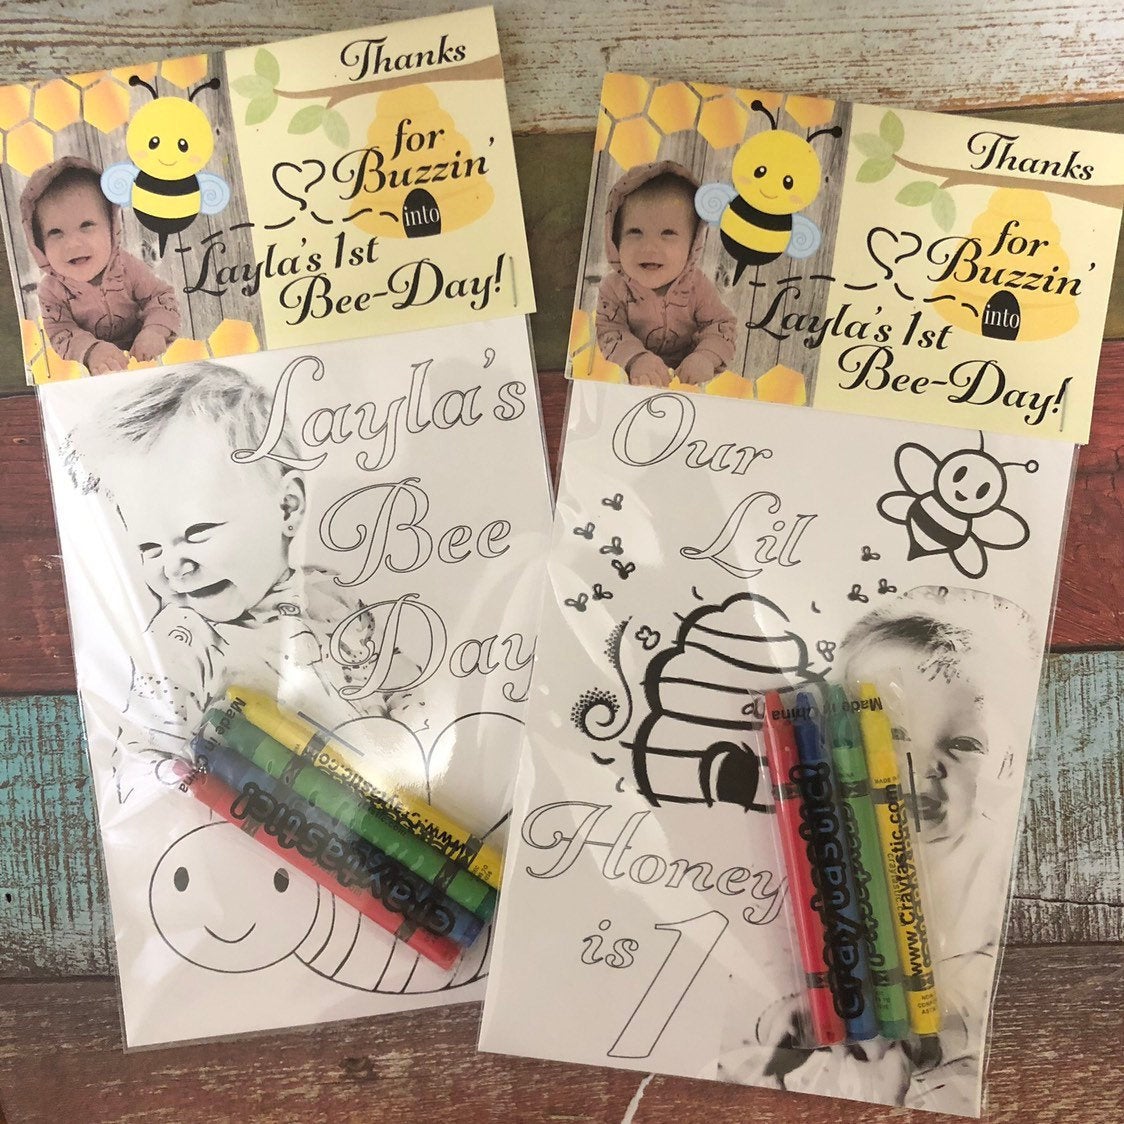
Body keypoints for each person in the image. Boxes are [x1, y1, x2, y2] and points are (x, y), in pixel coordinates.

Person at [725, 586, 1040, 1113]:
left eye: (963, 744)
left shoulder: (994, 866)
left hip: (942, 1054)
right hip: (830, 1048)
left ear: (1006, 757)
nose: (923, 767)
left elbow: (990, 982)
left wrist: (941, 1031)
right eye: (895, 736)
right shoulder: (832, 832)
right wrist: (790, 1019)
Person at [62, 362, 410, 802]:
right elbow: (146, 748)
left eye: (197, 532)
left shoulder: (327, 597)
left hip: (395, 804)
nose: (174, 566)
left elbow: (401, 682)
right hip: (287, 819)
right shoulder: (184, 641)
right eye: (150, 548)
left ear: (286, 508)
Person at [20, 156, 180, 373]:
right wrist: (91, 350)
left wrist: (155, 330)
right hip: (91, 372)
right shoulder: (51, 291)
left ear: (112, 228)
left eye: (86, 225)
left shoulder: (126, 266)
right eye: (55, 232)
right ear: (39, 244)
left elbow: (160, 297)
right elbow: (60, 332)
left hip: (142, 357)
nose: (73, 243)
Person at [596, 161, 736, 388]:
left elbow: (721, 325)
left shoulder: (697, 285)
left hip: (687, 381)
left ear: (693, 244)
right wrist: (636, 359)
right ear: (615, 238)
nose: (649, 247)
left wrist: (705, 357)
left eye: (668, 233)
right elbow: (609, 330)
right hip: (632, 382)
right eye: (635, 232)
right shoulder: (613, 288)